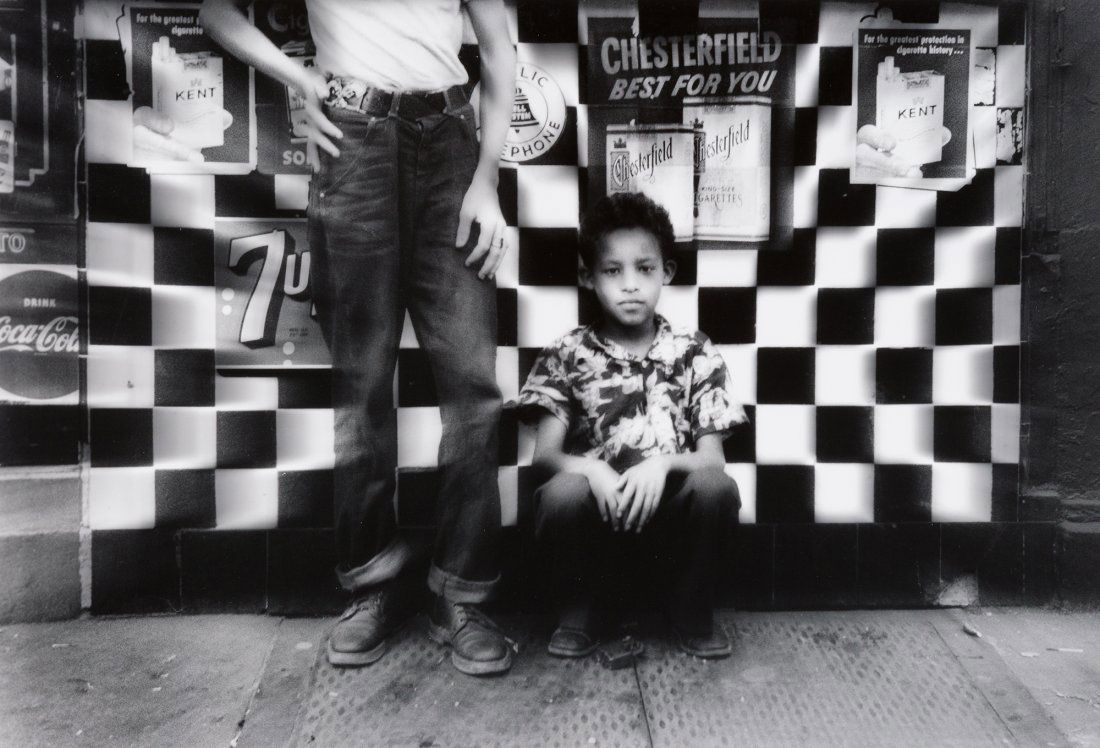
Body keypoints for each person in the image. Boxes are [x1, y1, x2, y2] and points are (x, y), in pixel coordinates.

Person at [200, 0, 517, 675]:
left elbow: (498, 49)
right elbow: (216, 13)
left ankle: (462, 595)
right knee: (363, 382)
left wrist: (487, 180)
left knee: (473, 387)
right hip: (354, 138)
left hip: (451, 141)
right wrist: (299, 77)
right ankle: (372, 584)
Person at [514, 192, 747, 659]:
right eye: (612, 271)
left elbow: (713, 460)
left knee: (716, 488)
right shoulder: (567, 352)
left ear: (667, 272)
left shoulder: (694, 350)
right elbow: (544, 458)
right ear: (588, 277)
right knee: (560, 494)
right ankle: (581, 611)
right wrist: (593, 470)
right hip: (599, 524)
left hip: (670, 527)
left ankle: (690, 610)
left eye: (644, 269)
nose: (630, 286)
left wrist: (662, 465)